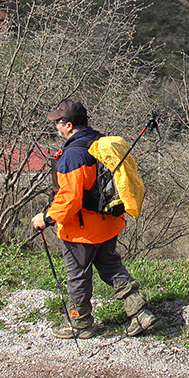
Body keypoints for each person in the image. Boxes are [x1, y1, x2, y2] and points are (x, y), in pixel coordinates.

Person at [32, 99, 156, 338]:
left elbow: (70, 199)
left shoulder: (72, 155)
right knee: (110, 266)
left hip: (81, 230)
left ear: (69, 126)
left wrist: (46, 218)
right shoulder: (99, 142)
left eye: (58, 122)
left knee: (77, 275)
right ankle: (140, 312)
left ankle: (81, 324)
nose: (56, 126)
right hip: (107, 223)